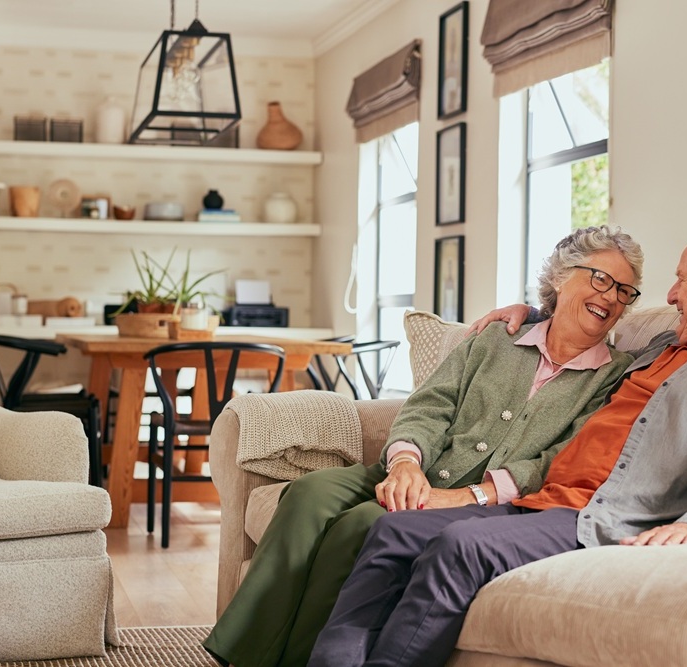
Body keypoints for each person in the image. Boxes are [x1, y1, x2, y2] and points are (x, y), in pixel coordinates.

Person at [308, 227, 687, 667]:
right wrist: (531, 313)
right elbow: (574, 340)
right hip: (541, 497)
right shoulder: (664, 346)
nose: (671, 295)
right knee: (394, 533)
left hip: (599, 513)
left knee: (459, 546)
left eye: (682, 279)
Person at [203, 226, 645, 667]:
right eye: (599, 279)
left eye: (625, 291)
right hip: (418, 465)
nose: (610, 297)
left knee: (359, 525)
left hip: (471, 498)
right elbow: (431, 404)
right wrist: (405, 462)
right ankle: (239, 652)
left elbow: (561, 457)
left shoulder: (614, 376)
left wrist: (467, 495)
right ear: (561, 277)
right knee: (307, 493)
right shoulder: (499, 338)